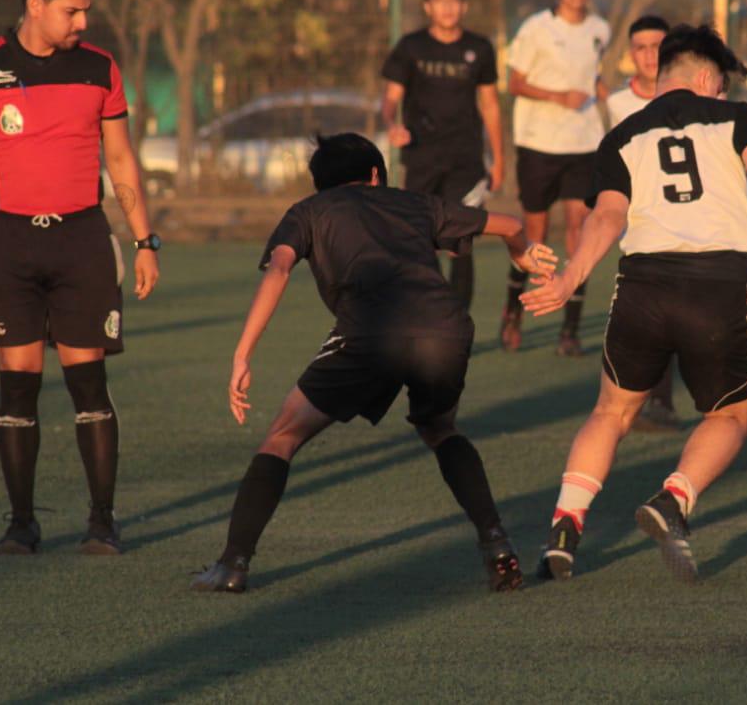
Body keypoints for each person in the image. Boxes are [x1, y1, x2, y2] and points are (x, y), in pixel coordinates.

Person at [190, 133, 555, 593]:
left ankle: (231, 565)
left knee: (282, 437)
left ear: (320, 183)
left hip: (371, 334)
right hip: (445, 327)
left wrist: (243, 354)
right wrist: (520, 252)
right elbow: (507, 223)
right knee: (441, 429)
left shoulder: (307, 212)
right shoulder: (414, 203)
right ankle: (497, 542)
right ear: (376, 175)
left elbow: (279, 269)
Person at [523, 25, 747, 584]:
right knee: (733, 413)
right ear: (705, 78)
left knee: (611, 413)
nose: (723, 94)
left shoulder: (624, 134)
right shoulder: (735, 118)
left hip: (642, 289)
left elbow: (606, 217)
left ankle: (565, 526)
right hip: (715, 286)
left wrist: (571, 277)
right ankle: (674, 499)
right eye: (721, 85)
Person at [0, 0, 161, 555]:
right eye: (72, 10)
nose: (83, 22)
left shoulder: (99, 69)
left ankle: (102, 522)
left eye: (86, 10)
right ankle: (21, 523)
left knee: (89, 383)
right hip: (7, 242)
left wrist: (144, 240)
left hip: (82, 240)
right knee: (17, 388)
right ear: (35, 4)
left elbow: (121, 159)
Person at [501, 0, 611, 357]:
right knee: (536, 235)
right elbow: (514, 82)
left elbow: (595, 79)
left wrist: (613, 100)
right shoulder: (536, 28)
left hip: (584, 144)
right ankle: (512, 313)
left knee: (579, 234)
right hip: (539, 142)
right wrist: (557, 95)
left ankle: (570, 329)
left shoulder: (601, 29)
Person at [380, 0, 503, 312]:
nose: (447, 7)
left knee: (460, 242)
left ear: (463, 6)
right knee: (420, 241)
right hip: (422, 159)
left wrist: (499, 160)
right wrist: (391, 124)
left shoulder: (479, 49)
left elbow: (491, 106)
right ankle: (432, 313)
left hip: (466, 160)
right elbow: (390, 99)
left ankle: (458, 321)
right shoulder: (411, 47)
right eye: (439, 0)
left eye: (454, 0)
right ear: (427, 6)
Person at [605, 15, 680, 431]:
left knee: (697, 312)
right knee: (652, 316)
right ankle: (657, 400)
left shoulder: (687, 98)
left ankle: (743, 386)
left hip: (690, 222)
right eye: (641, 47)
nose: (650, 55)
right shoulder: (617, 105)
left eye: (658, 46)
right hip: (641, 224)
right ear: (630, 53)